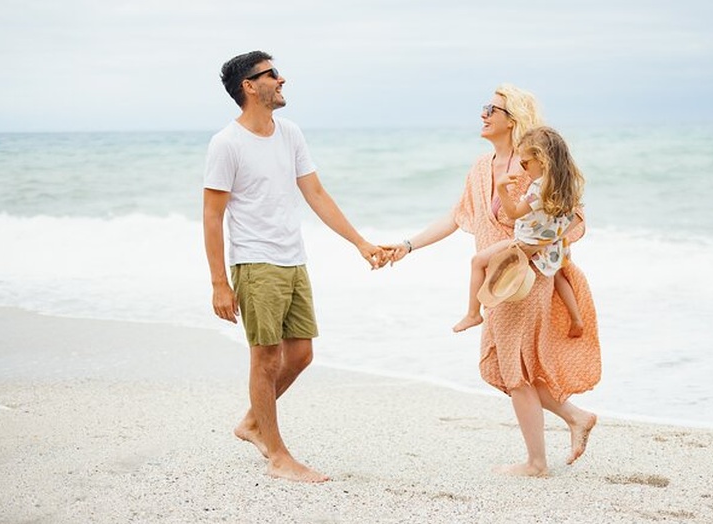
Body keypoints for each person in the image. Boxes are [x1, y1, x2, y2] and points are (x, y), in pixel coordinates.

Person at [387, 85, 601, 477]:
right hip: (496, 280)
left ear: (513, 118)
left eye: (492, 108)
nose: (483, 114)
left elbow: (572, 216)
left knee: (515, 369)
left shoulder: (533, 164)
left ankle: (536, 463)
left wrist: (535, 249)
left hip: (524, 280)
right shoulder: (480, 167)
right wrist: (407, 246)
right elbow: (455, 217)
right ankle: (575, 417)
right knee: (510, 368)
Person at [202, 50, 387, 482]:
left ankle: (252, 423)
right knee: (265, 359)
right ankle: (278, 456)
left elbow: (316, 194)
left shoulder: (290, 133)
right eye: (272, 74)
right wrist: (219, 283)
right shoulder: (226, 143)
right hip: (255, 262)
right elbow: (212, 215)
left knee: (301, 354)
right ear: (250, 86)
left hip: (293, 259)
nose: (282, 79)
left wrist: (360, 242)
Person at [452, 126, 585, 339]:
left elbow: (513, 213)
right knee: (559, 277)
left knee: (478, 261)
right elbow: (576, 218)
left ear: (542, 160)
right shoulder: (563, 185)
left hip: (525, 243)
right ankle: (576, 318)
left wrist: (502, 190)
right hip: (555, 246)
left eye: (525, 163)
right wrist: (550, 238)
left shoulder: (537, 189)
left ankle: (473, 314)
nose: (524, 169)